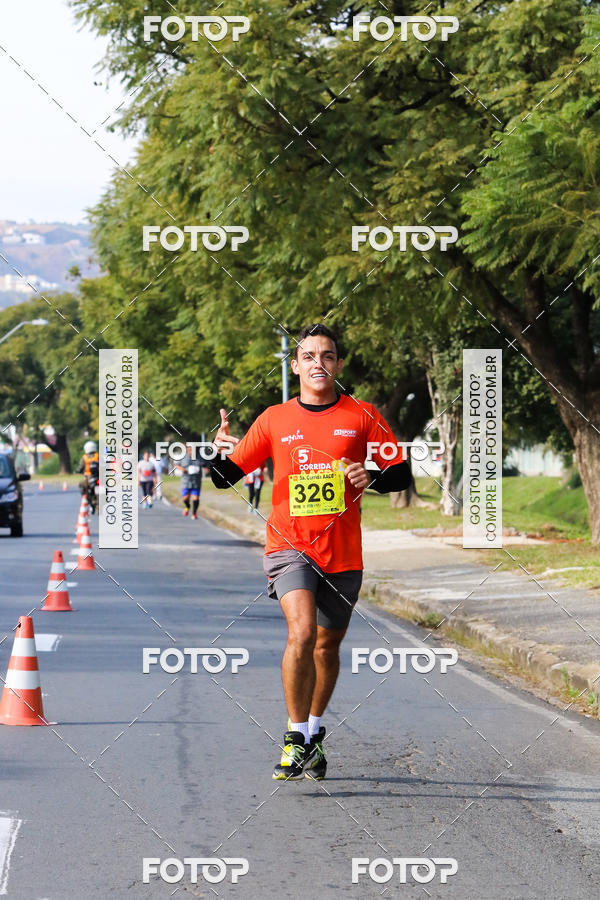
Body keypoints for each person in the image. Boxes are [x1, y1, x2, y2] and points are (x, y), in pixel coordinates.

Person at [211, 324, 412, 780]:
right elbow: (225, 478)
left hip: (342, 553)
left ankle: (315, 732)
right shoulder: (274, 419)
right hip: (289, 546)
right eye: (309, 356)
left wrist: (372, 477)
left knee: (326, 646)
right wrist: (216, 450)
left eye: (328, 355)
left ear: (338, 365)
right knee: (301, 634)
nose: (318, 363)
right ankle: (295, 734)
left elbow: (400, 472)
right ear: (296, 365)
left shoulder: (362, 415)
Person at [175, 443, 203, 519]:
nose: (191, 452)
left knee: (196, 498)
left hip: (196, 481)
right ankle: (187, 506)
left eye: (193, 450)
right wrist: (182, 469)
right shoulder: (183, 456)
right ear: (187, 449)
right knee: (185, 498)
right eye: (190, 450)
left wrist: (205, 469)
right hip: (186, 481)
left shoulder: (199, 457)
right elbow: (176, 464)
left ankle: (194, 513)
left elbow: (204, 464)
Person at [77, 440, 99, 513]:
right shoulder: (98, 456)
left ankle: (89, 502)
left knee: (82, 486)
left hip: (88, 477)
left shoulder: (84, 457)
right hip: (98, 476)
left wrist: (78, 470)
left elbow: (80, 467)